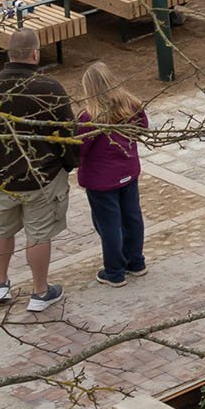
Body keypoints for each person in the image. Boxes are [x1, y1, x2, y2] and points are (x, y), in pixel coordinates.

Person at [0, 26, 79, 313]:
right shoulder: (50, 88)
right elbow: (67, 135)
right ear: (35, 54)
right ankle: (39, 291)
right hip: (41, 177)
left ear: (8, 54)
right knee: (38, 235)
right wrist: (69, 164)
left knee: (0, 230)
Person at [75, 63, 147, 288]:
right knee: (132, 216)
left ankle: (114, 271)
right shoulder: (132, 106)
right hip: (127, 171)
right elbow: (143, 128)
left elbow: (79, 149)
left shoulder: (90, 118)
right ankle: (136, 261)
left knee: (109, 224)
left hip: (101, 180)